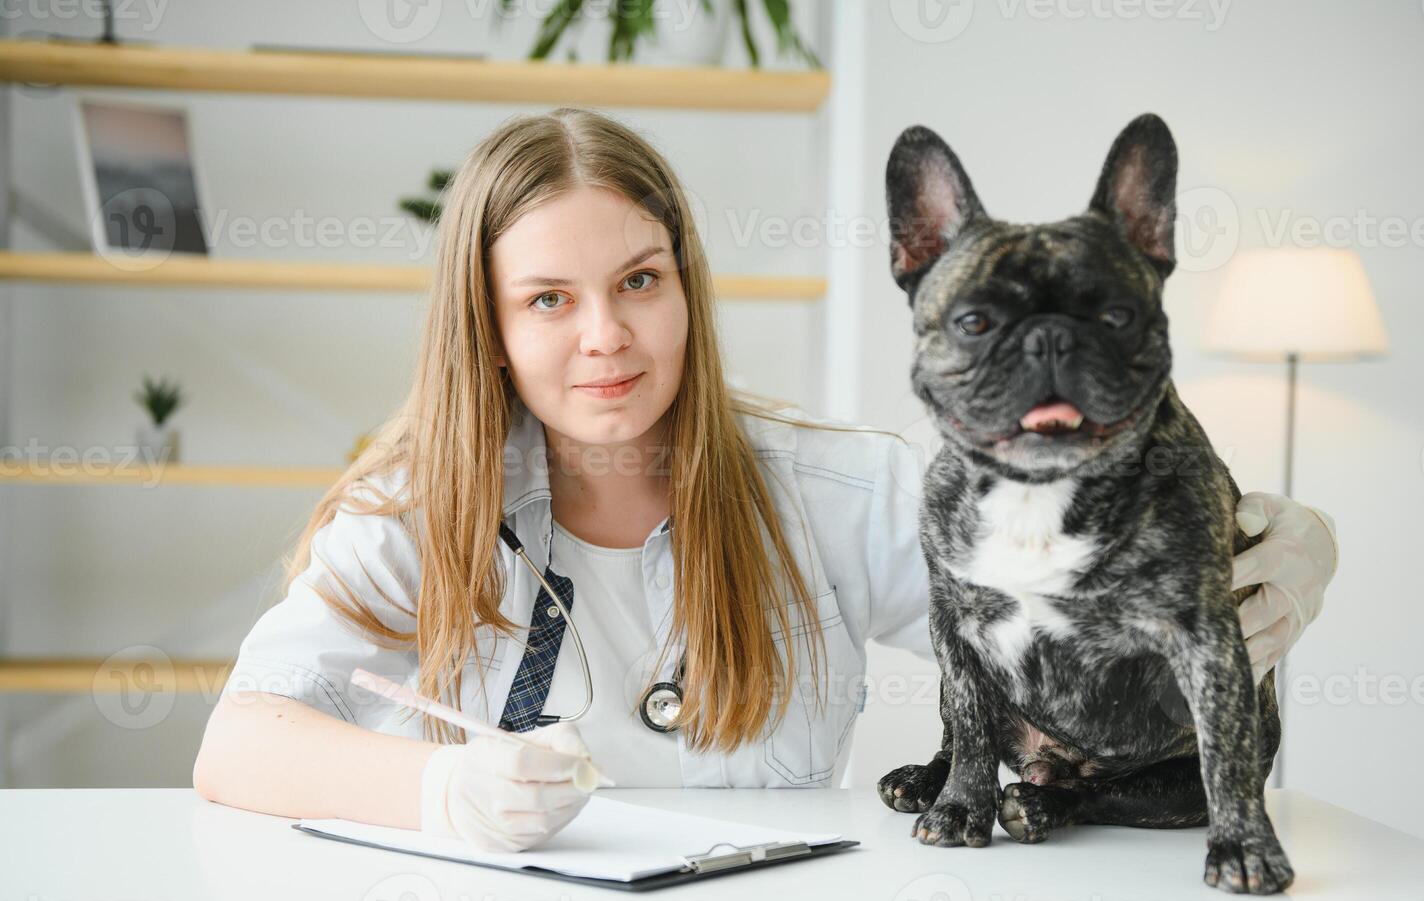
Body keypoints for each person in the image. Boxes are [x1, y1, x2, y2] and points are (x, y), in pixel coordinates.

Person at [192, 108, 1339, 855]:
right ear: (486, 326)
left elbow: (1084, 611)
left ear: (687, 289)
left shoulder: (835, 490)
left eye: (639, 280)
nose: (607, 335)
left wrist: (1279, 548)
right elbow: (239, 744)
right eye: (549, 297)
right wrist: (439, 794)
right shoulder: (415, 510)